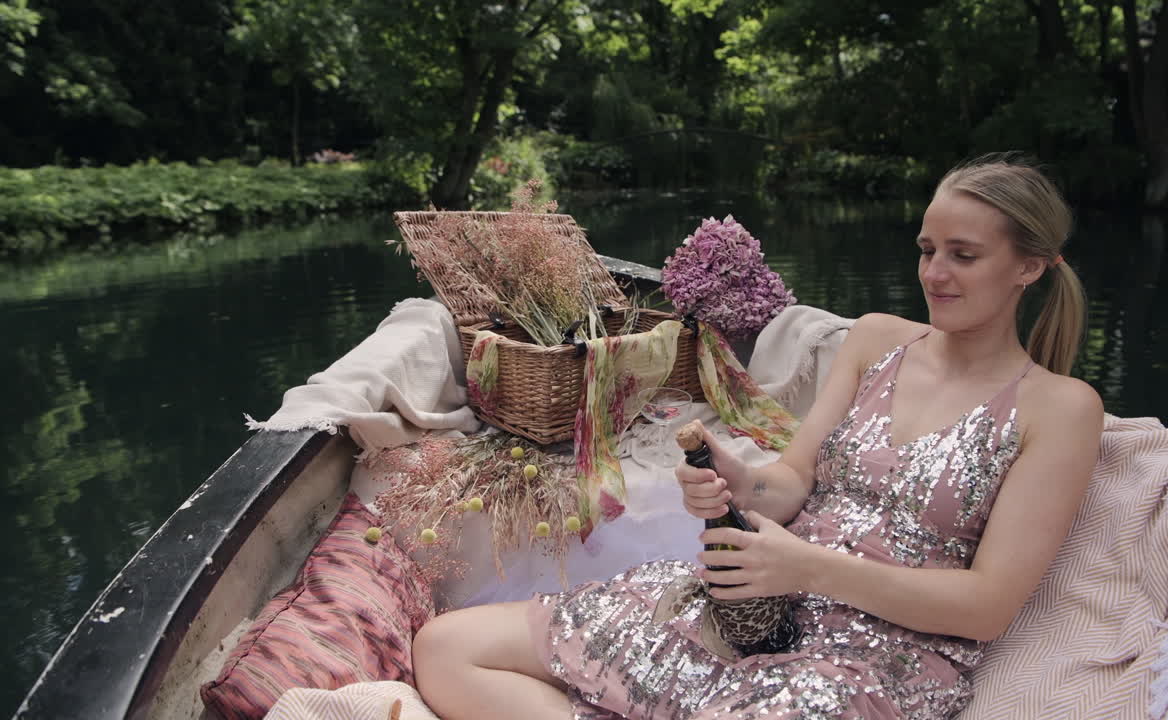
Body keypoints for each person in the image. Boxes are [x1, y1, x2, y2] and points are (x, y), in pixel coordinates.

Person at [411, 153, 1105, 719]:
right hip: (751, 602)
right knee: (448, 649)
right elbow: (792, 481)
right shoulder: (876, 341)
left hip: (874, 655)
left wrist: (808, 567)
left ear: (1030, 266)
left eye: (963, 255)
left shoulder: (1061, 409)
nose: (933, 273)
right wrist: (742, 483)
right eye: (927, 249)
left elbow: (986, 608)